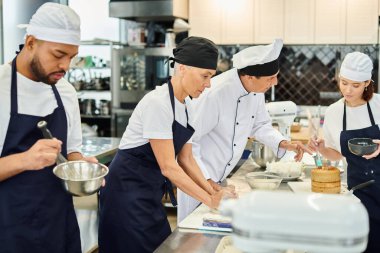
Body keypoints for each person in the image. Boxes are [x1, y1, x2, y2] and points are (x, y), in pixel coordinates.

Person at [98, 36, 225, 253]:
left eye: (211, 77)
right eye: (205, 76)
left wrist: (212, 193)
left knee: (161, 247)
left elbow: (186, 159)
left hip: (149, 192)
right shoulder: (157, 103)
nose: (208, 84)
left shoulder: (187, 106)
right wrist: (209, 201)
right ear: (183, 68)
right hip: (125, 193)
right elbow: (169, 166)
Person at [177, 39, 313, 222]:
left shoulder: (256, 91)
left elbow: (260, 125)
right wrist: (208, 182)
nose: (276, 82)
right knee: (193, 235)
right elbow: (189, 144)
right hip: (197, 180)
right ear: (249, 77)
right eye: (270, 78)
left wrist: (284, 143)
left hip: (220, 180)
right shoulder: (214, 94)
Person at [0, 3, 95, 253]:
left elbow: (72, 151)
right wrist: (25, 160)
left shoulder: (65, 91)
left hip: (58, 223)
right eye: (58, 54)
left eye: (71, 58)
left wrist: (82, 169)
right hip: (9, 229)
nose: (66, 66)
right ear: (31, 42)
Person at [308, 52, 380, 253]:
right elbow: (337, 154)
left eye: (355, 85)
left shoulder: (379, 105)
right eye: (344, 82)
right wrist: (322, 148)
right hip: (359, 193)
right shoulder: (334, 112)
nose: (347, 90)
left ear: (367, 82)